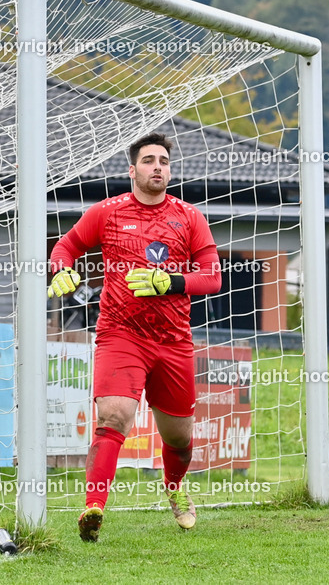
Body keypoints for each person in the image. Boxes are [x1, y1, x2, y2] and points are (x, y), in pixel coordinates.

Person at [47, 132, 222, 542]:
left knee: (178, 438)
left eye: (163, 160)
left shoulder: (190, 217)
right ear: (132, 169)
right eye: (148, 160)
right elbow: (65, 247)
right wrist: (61, 270)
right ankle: (94, 507)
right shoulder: (106, 213)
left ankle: (175, 487)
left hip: (173, 341)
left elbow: (212, 278)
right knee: (113, 416)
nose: (157, 166)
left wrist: (171, 281)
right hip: (120, 335)